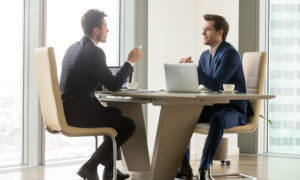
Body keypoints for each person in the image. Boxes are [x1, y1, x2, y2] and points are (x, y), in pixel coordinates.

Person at [60, 9, 143, 180]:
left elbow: (80, 80)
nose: (108, 30)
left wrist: (99, 85)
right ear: (96, 30)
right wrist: (129, 62)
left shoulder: (72, 49)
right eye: (106, 27)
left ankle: (110, 170)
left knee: (114, 115)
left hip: (66, 111)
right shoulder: (94, 52)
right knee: (127, 125)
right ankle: (90, 166)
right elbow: (114, 84)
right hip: (78, 115)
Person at [177, 14, 248, 180]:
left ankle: (203, 168)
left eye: (208, 29)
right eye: (203, 29)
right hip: (213, 107)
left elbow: (216, 85)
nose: (203, 33)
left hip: (233, 109)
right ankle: (185, 167)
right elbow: (199, 84)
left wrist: (195, 70)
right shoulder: (204, 56)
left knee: (217, 120)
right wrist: (185, 73)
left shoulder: (229, 53)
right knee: (181, 117)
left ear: (219, 32)